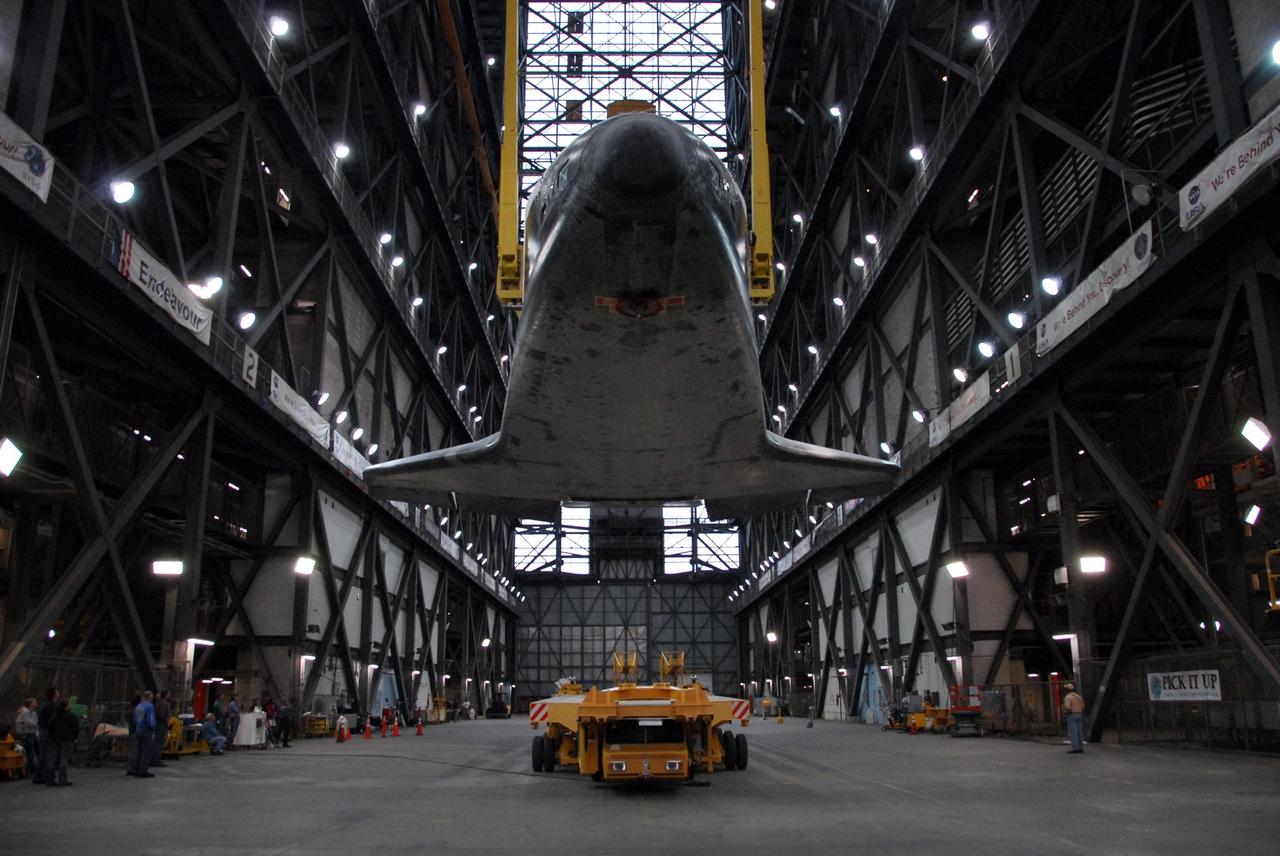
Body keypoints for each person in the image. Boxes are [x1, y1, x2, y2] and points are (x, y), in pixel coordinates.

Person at [48, 698, 80, 787]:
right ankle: (63, 780)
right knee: (64, 759)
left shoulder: (55, 716)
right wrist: (74, 737)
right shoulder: (72, 716)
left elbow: (50, 727)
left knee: (52, 759)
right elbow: (76, 728)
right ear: (66, 706)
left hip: (55, 739)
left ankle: (50, 779)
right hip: (67, 739)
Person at [34, 687, 59, 785]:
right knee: (48, 755)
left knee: (44, 755)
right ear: (53, 694)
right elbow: (50, 721)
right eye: (57, 692)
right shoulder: (50, 706)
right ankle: (45, 776)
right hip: (47, 732)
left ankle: (40, 775)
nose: (58, 693)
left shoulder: (47, 705)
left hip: (45, 731)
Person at [129, 690, 156, 777]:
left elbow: (134, 718)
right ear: (149, 697)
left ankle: (136, 769)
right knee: (146, 751)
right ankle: (143, 770)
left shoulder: (139, 706)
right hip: (146, 730)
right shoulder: (149, 707)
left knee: (139, 750)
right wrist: (152, 727)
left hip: (138, 729)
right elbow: (150, 719)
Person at [13, 698, 39, 776]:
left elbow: (35, 722)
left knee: (38, 750)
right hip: (26, 734)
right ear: (30, 704)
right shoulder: (25, 712)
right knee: (30, 752)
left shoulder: (33, 712)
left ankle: (38, 768)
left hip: (32, 733)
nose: (36, 703)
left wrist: (35, 725)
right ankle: (33, 770)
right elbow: (30, 723)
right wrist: (36, 725)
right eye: (34, 702)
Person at [1062, 682, 1086, 753]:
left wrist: (1066, 712)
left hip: (1071, 715)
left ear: (1067, 690)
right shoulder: (1078, 696)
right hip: (1079, 714)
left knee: (1073, 732)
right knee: (1079, 732)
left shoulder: (1068, 697)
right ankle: (1080, 747)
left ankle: (1075, 748)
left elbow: (1067, 707)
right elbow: (1083, 706)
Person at [151, 690, 171, 767]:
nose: (170, 696)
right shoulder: (163, 703)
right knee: (159, 742)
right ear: (165, 695)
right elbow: (162, 715)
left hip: (159, 724)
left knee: (158, 742)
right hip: (161, 724)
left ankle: (154, 759)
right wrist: (166, 722)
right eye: (169, 694)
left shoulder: (159, 702)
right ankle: (155, 760)